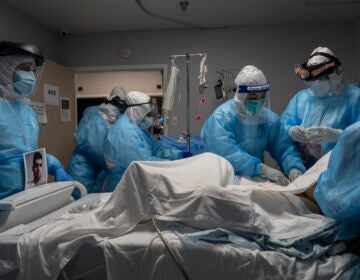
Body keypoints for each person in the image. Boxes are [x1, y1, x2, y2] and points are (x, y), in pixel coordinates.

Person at [201, 65, 306, 186]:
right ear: (241, 95)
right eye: (252, 97)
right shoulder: (222, 117)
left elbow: (284, 147)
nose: (258, 101)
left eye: (262, 97)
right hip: (223, 176)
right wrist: (261, 168)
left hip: (254, 178)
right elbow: (226, 151)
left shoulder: (268, 119)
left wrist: (293, 168)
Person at [0, 41, 73, 199]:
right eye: (25, 69)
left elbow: (27, 153)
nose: (31, 76)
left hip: (28, 197)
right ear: (4, 68)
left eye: (33, 71)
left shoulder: (27, 111)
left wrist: (54, 164)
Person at [281, 46, 360, 169]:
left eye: (322, 78)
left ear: (335, 75)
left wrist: (340, 136)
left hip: (342, 171)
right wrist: (290, 130)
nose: (317, 83)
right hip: (305, 170)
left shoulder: (355, 98)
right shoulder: (301, 98)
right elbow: (282, 127)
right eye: (313, 79)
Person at [103, 91, 183, 191]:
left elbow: (157, 149)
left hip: (135, 184)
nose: (149, 118)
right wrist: (173, 165)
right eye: (147, 115)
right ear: (137, 111)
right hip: (123, 187)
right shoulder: (125, 131)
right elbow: (144, 163)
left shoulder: (137, 127)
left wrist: (177, 154)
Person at [67, 86, 127, 193]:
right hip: (83, 171)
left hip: (97, 171)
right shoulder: (95, 116)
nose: (116, 111)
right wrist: (113, 166)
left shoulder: (113, 119)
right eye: (116, 104)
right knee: (81, 202)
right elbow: (96, 148)